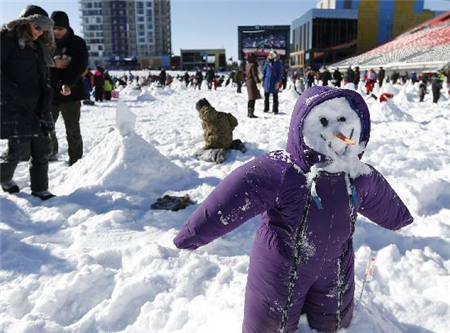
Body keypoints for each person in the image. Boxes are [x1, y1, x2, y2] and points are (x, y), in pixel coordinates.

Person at [174, 86, 413, 333]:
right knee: (269, 324)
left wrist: (399, 218)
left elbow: (381, 198)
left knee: (334, 323)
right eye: (324, 121)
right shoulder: (284, 172)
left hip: (335, 265)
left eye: (343, 119)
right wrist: (193, 234)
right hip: (281, 266)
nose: (337, 129)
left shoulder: (356, 175)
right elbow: (235, 194)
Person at [1, 5, 56, 200]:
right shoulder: (6, 41)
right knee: (19, 150)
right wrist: (12, 93)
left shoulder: (38, 45)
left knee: (43, 148)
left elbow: (43, 74)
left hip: (38, 104)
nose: (40, 32)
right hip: (14, 104)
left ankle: (40, 188)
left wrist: (47, 95)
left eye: (43, 29)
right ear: (26, 23)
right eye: (37, 27)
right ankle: (3, 177)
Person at [49, 11, 89, 166]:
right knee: (46, 127)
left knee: (72, 129)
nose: (57, 31)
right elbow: (37, 63)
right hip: (50, 93)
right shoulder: (45, 42)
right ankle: (51, 152)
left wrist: (68, 83)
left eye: (60, 28)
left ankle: (76, 159)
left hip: (71, 93)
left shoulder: (77, 42)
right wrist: (52, 63)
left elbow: (80, 65)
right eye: (54, 28)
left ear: (67, 27)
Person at [194, 98, 247, 164]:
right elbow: (235, 122)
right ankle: (236, 144)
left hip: (215, 145)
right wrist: (228, 130)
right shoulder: (223, 114)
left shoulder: (205, 120)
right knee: (225, 140)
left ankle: (215, 154)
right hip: (228, 141)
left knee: (198, 153)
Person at [245, 53, 261, 118]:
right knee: (253, 98)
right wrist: (258, 81)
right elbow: (254, 74)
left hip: (248, 82)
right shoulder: (253, 65)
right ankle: (251, 113)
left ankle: (249, 112)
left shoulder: (248, 65)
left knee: (250, 98)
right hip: (252, 82)